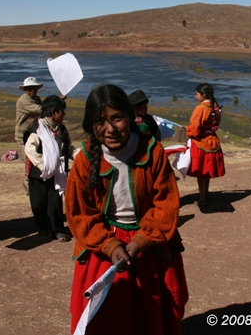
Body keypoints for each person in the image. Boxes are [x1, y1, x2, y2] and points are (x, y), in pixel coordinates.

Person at [65, 84, 188, 335]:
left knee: (153, 313)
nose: (110, 129)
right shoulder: (85, 160)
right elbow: (81, 214)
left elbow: (166, 203)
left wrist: (140, 241)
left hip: (149, 245)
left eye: (117, 118)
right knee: (104, 317)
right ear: (91, 124)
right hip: (104, 246)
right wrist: (110, 246)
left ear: (130, 117)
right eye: (100, 121)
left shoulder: (152, 152)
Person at [24, 95, 75, 241]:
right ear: (54, 112)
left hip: (57, 173)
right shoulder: (36, 130)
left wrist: (80, 156)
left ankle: (58, 230)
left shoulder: (62, 130)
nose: (64, 114)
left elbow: (69, 148)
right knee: (38, 202)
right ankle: (42, 228)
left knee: (55, 201)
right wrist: (44, 165)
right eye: (62, 111)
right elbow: (30, 150)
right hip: (38, 173)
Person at [186, 83, 225, 206]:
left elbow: (194, 128)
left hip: (201, 143)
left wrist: (189, 131)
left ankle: (202, 198)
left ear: (203, 95)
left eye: (197, 94)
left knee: (201, 173)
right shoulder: (215, 106)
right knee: (206, 173)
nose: (195, 96)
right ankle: (206, 194)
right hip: (213, 141)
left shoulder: (201, 108)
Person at [15, 77, 44, 158]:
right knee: (30, 160)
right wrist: (56, 102)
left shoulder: (36, 99)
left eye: (34, 88)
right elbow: (40, 110)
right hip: (22, 135)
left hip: (33, 134)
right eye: (29, 88)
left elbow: (43, 114)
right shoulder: (23, 101)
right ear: (25, 89)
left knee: (36, 158)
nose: (32, 90)